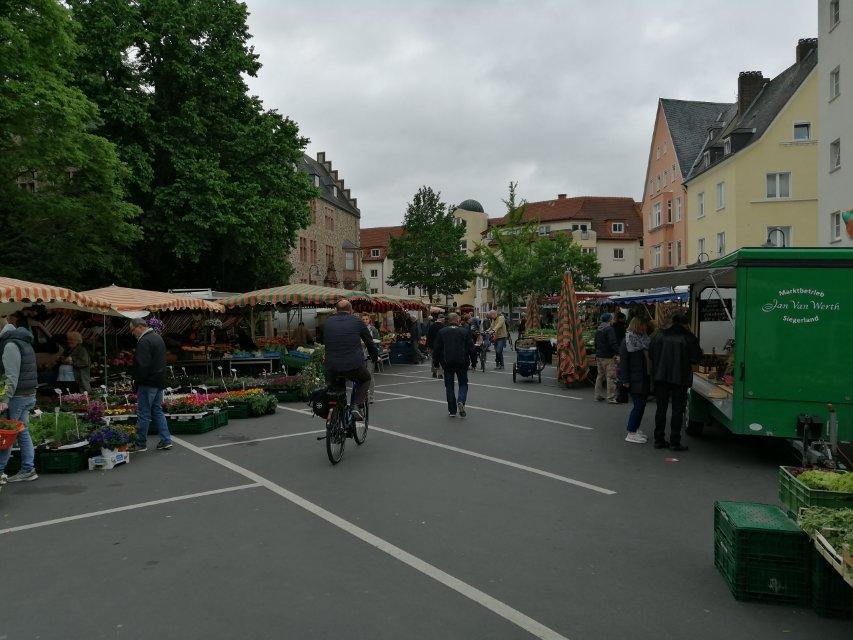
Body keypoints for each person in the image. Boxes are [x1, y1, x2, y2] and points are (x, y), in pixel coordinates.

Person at [649, 312, 702, 451]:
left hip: (660, 377)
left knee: (661, 408)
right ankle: (674, 441)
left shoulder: (659, 335)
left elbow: (651, 354)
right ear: (686, 323)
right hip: (680, 378)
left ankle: (658, 439)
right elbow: (696, 358)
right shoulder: (688, 337)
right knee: (678, 410)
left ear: (672, 321)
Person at [324, 300, 379, 422]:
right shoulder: (357, 322)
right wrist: (375, 357)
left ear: (336, 310)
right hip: (352, 365)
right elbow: (370, 343)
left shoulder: (328, 322)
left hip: (331, 366)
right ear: (350, 310)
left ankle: (335, 417)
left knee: (337, 387)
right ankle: (356, 405)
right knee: (366, 378)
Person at [0, 315, 39, 483]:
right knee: (22, 431)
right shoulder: (23, 340)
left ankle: (1, 470)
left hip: (17, 396)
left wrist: (4, 399)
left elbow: (12, 376)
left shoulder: (10, 345)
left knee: (7, 433)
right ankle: (28, 469)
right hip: (28, 393)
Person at [130, 317, 172, 452]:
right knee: (157, 410)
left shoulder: (144, 341)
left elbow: (143, 365)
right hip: (159, 380)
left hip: (147, 382)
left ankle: (140, 443)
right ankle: (166, 440)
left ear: (139, 327)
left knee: (144, 413)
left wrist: (137, 382)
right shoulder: (158, 337)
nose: (132, 333)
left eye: (132, 330)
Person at [618, 317, 652, 444]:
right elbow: (624, 363)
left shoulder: (643, 339)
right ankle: (631, 432)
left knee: (641, 405)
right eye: (643, 326)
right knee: (638, 406)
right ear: (638, 326)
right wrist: (625, 380)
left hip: (643, 377)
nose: (646, 328)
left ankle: (635, 429)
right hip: (634, 378)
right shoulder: (627, 341)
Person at [434, 313, 473, 418]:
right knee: (463, 384)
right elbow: (471, 348)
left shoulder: (442, 332)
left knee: (449, 386)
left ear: (448, 320)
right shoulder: (464, 331)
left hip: (447, 362)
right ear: (457, 320)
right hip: (462, 361)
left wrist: (436, 363)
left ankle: (452, 410)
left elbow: (437, 349)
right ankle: (461, 401)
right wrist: (474, 362)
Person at [594, 312, 619, 403]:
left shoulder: (599, 329)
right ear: (609, 320)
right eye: (612, 318)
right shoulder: (609, 329)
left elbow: (595, 343)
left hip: (599, 356)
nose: (613, 320)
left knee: (600, 376)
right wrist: (618, 352)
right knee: (610, 376)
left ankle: (598, 395)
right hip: (608, 356)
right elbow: (612, 342)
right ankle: (611, 397)